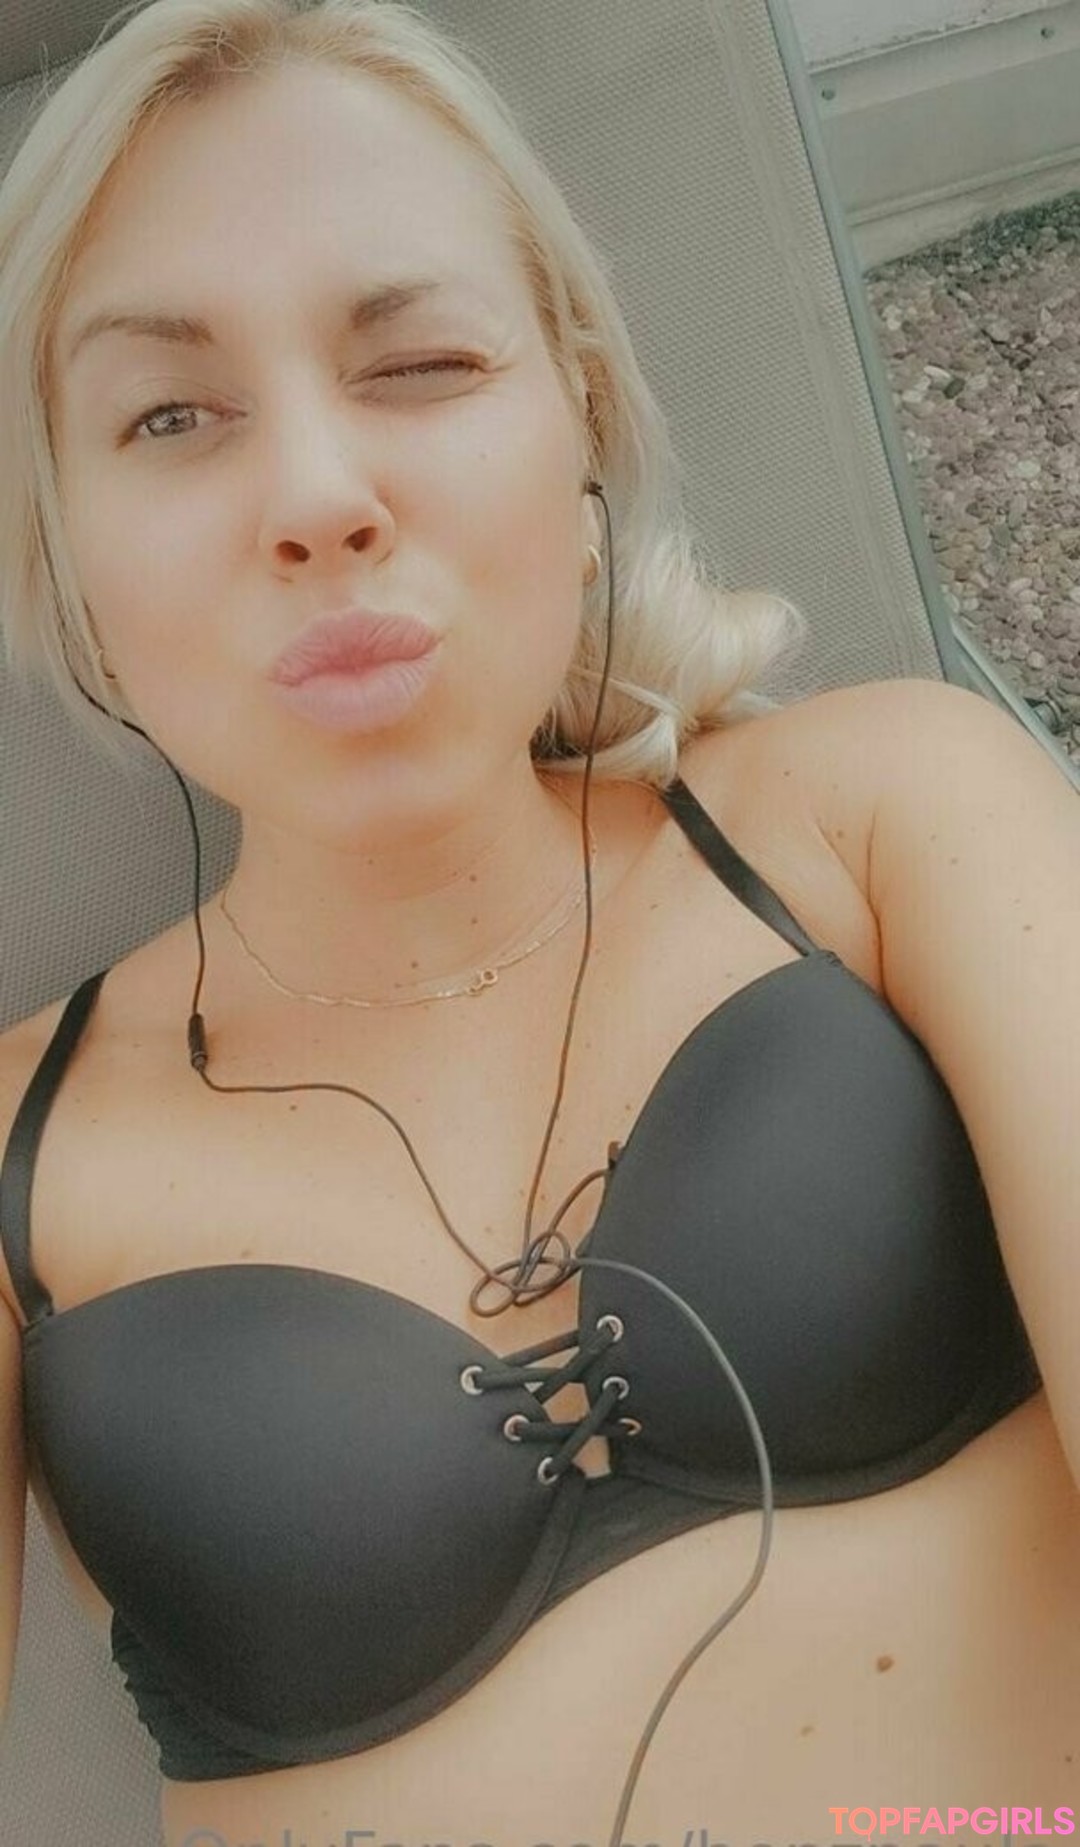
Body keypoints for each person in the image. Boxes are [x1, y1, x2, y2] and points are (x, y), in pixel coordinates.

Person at [1, 2, 1079, 1843]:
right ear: (70, 555)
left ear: (579, 426)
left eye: (420, 362)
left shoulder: (886, 818)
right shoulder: (18, 1157)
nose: (319, 499)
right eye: (170, 416)